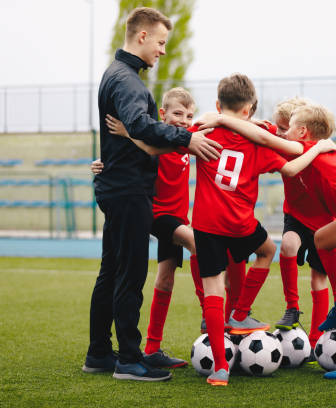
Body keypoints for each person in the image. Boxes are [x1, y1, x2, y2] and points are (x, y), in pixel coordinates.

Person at [198, 104, 336, 380]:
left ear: (302, 132)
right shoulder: (331, 148)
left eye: (288, 127)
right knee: (321, 239)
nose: (284, 132)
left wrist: (220, 118)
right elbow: (265, 132)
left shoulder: (304, 148)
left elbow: (266, 139)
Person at [83, 7, 222, 382]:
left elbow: (134, 132)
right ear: (141, 36)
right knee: (128, 275)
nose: (162, 50)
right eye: (160, 42)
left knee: (111, 272)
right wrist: (187, 138)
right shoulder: (127, 80)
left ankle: (99, 353)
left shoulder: (118, 74)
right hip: (128, 191)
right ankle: (129, 359)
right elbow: (140, 124)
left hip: (119, 187)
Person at [191, 73, 336, 386]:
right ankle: (241, 312)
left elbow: (171, 143)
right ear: (248, 111)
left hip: (204, 223)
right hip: (240, 222)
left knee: (213, 288)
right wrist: (319, 148)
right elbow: (289, 166)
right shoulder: (256, 141)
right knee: (267, 250)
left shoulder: (203, 130)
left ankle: (219, 369)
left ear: (218, 104)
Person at [91, 88, 247, 369]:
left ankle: (152, 348)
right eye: (177, 113)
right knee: (198, 243)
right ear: (163, 114)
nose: (184, 120)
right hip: (156, 214)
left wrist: (252, 123)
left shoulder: (190, 136)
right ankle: (210, 315)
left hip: (177, 216)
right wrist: (105, 162)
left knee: (165, 279)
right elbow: (141, 151)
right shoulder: (156, 138)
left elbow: (216, 119)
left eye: (189, 115)